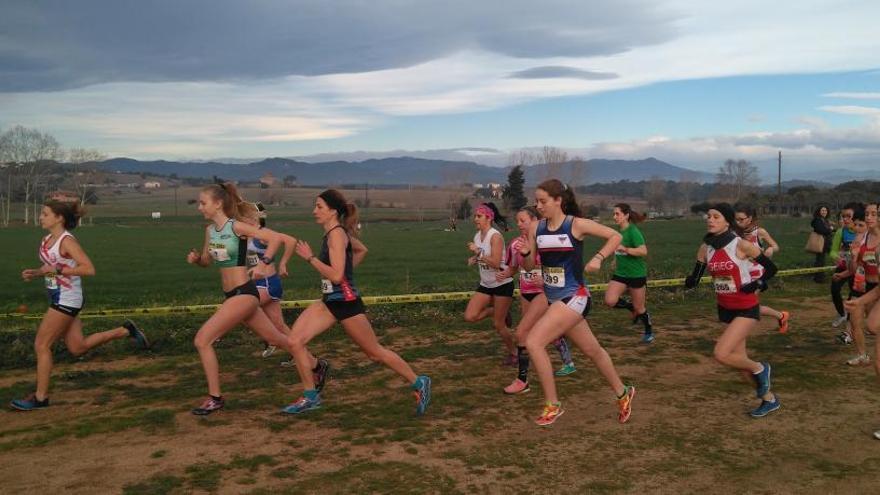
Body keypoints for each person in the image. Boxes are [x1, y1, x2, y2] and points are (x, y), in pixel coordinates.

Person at [281, 189, 431, 416]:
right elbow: (361, 250)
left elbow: (336, 276)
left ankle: (419, 381)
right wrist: (347, 271)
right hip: (330, 301)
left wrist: (310, 258)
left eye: (319, 207)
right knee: (294, 341)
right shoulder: (335, 233)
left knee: (374, 353)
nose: (314, 211)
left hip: (346, 303)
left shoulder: (336, 236)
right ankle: (311, 394)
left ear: (332, 211)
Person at [10, 200, 149, 411]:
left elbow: (88, 269)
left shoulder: (67, 242)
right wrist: (37, 273)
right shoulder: (47, 239)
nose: (41, 217)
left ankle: (40, 398)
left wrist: (57, 270)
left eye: (45, 214)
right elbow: (52, 266)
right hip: (59, 298)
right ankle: (126, 330)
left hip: (67, 299)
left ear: (59, 218)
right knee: (77, 347)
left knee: (41, 345)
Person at [519, 179, 634, 426]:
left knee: (533, 341)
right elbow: (529, 267)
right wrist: (527, 254)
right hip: (555, 301)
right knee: (593, 351)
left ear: (558, 200)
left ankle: (553, 404)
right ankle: (623, 392)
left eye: (543, 201)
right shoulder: (536, 228)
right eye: (536, 201)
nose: (538, 206)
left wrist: (598, 258)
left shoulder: (576, 225)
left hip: (575, 298)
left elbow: (614, 235)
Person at [186, 183, 295, 415]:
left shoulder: (236, 227)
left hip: (244, 293)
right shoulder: (210, 231)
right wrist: (197, 260)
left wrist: (265, 263)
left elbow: (275, 238)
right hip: (231, 294)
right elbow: (207, 260)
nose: (199, 207)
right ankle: (315, 364)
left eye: (203, 203)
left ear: (217, 204)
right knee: (275, 337)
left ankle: (215, 398)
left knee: (202, 340)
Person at [685, 203, 780, 418]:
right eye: (708, 216)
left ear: (727, 221)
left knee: (721, 354)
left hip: (746, 307)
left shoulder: (741, 245)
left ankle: (761, 368)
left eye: (716, 216)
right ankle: (770, 400)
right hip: (725, 308)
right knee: (740, 364)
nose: (710, 219)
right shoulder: (706, 248)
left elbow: (771, 269)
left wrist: (758, 284)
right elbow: (696, 276)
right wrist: (690, 281)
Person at [499, 206, 576, 395]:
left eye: (522, 220)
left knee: (523, 332)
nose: (519, 224)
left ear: (534, 221)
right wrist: (505, 274)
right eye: (517, 221)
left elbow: (563, 267)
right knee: (533, 332)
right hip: (526, 293)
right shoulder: (515, 244)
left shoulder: (545, 241)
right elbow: (515, 268)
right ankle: (565, 361)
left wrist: (545, 279)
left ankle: (523, 380)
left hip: (545, 292)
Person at [239, 202, 297, 361]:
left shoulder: (263, 233)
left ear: (254, 218)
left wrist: (283, 263)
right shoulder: (245, 234)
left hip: (267, 283)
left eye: (244, 216)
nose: (241, 219)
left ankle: (271, 338)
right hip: (257, 284)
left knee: (241, 310)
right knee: (279, 325)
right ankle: (300, 352)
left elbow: (291, 241)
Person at [463, 202, 517, 366]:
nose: (475, 219)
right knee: (470, 316)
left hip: (502, 283)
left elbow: (494, 263)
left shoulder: (495, 236)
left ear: (489, 217)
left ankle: (514, 354)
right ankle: (498, 311)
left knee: (499, 325)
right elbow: (482, 257)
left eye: (479, 216)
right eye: (475, 216)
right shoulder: (476, 236)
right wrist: (474, 259)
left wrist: (478, 253)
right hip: (486, 284)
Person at [734, 204, 790, 333]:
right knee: (744, 304)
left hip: (757, 273)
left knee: (748, 304)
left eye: (741, 219)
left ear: (750, 218)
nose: (738, 222)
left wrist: (770, 249)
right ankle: (781, 316)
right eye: (736, 219)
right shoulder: (735, 233)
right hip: (742, 273)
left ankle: (738, 333)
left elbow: (776, 246)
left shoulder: (759, 232)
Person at [604, 203, 655, 343]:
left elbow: (643, 251)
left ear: (626, 215)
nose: (614, 217)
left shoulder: (633, 231)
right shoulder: (618, 232)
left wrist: (625, 249)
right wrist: (616, 259)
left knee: (640, 308)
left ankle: (648, 330)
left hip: (636, 274)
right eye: (613, 214)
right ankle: (630, 307)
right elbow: (618, 249)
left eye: (617, 214)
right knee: (610, 300)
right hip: (621, 274)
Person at [843, 203, 878, 366]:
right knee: (855, 321)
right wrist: (853, 257)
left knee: (873, 327)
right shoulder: (860, 239)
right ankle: (862, 355)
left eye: (873, 214)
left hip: (877, 288)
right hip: (861, 285)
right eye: (867, 214)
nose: (869, 217)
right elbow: (853, 269)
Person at [829, 203, 861, 330]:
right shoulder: (841, 232)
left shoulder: (863, 233)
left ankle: (848, 321)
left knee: (853, 294)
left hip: (857, 269)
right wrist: (837, 257)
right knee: (834, 289)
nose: (845, 219)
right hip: (843, 266)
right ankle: (842, 314)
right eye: (843, 216)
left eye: (848, 216)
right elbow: (832, 251)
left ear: (857, 217)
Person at [812, 205, 834, 283]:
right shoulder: (817, 220)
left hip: (826, 243)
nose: (824, 212)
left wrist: (831, 229)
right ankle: (818, 278)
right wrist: (830, 229)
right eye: (822, 210)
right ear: (819, 211)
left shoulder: (825, 220)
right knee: (820, 260)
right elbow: (820, 230)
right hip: (820, 243)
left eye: (825, 210)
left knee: (822, 260)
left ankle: (820, 276)